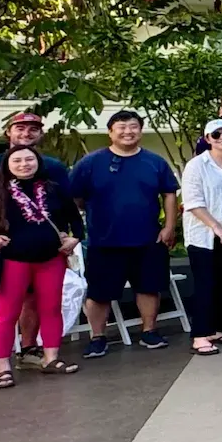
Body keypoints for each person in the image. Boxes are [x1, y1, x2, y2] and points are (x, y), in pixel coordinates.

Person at [0, 147, 83, 385]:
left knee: (50, 309)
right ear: (8, 164)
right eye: (17, 160)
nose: (24, 164)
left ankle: (50, 358)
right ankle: (2, 367)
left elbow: (76, 220)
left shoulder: (54, 190)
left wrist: (74, 238)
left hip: (51, 260)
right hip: (13, 261)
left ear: (38, 162)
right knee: (6, 314)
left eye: (29, 159)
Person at [69, 110, 180, 357]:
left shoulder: (155, 162)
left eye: (133, 127)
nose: (128, 131)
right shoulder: (90, 163)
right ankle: (98, 337)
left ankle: (149, 331)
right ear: (110, 131)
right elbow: (75, 196)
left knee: (149, 287)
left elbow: (169, 193)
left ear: (140, 131)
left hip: (148, 237)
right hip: (105, 239)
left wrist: (169, 226)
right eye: (121, 127)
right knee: (99, 292)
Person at [180, 119, 222, 356]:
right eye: (216, 134)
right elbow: (193, 202)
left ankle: (219, 328)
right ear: (208, 138)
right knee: (206, 285)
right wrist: (217, 228)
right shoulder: (197, 165)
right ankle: (200, 335)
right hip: (204, 237)